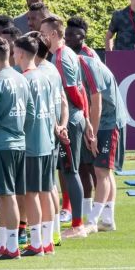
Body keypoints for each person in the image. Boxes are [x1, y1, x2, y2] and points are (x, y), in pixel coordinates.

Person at [40, 16, 95, 239]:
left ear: (53, 34)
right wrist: (87, 118)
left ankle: (77, 225)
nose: (41, 36)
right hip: (75, 117)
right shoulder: (65, 55)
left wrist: (80, 116)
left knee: (70, 171)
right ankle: (74, 221)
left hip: (69, 121)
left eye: (43, 32)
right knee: (68, 170)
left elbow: (72, 90)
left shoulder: (61, 58)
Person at [0, 38, 33, 260]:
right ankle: (4, 243)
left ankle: (11, 247)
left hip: (0, 144)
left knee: (6, 194)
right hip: (19, 143)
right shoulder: (21, 79)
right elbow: (30, 111)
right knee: (6, 196)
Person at [12, 36, 55, 256]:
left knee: (31, 194)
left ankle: (36, 243)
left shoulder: (23, 79)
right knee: (45, 193)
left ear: (20, 53)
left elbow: (22, 116)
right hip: (46, 141)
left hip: (30, 143)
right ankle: (47, 242)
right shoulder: (45, 76)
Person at [80, 55, 128, 233]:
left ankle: (93, 220)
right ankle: (107, 220)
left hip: (110, 121)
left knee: (101, 171)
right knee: (105, 171)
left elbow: (96, 102)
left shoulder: (87, 65)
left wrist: (91, 132)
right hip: (105, 119)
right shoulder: (79, 61)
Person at [29, 30, 67, 248]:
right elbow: (62, 100)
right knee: (50, 184)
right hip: (52, 130)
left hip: (42, 132)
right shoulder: (51, 68)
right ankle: (54, 232)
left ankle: (45, 235)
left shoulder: (38, 73)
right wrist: (61, 124)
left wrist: (56, 125)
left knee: (41, 188)